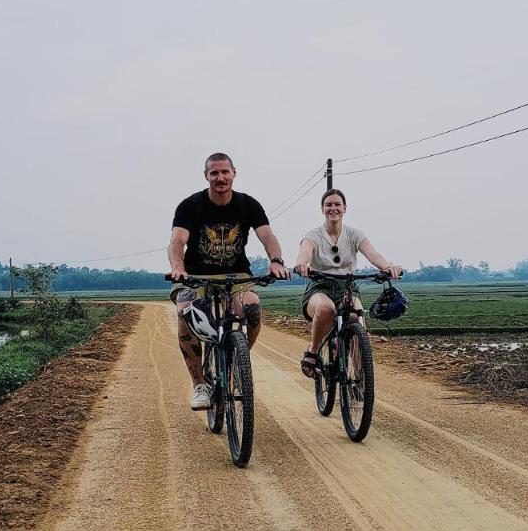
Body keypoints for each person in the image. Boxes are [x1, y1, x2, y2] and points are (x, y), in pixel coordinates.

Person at [169, 153, 289, 410]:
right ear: (206, 176)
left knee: (252, 308)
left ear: (234, 173)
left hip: (237, 276)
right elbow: (177, 240)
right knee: (185, 312)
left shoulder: (248, 205)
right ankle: (200, 383)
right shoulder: (190, 206)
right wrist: (178, 268)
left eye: (225, 172)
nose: (220, 178)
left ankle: (238, 359)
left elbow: (267, 235)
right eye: (214, 173)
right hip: (196, 275)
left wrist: (276, 260)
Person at [292, 188, 401, 378]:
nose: (333, 208)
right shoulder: (313, 235)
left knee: (356, 318)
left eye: (337, 205)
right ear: (322, 209)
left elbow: (373, 254)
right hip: (320, 287)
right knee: (326, 309)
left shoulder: (354, 234)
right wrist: (301, 264)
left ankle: (361, 377)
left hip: (348, 286)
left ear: (345, 208)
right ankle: (313, 352)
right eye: (328, 205)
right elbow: (305, 252)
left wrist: (387, 267)